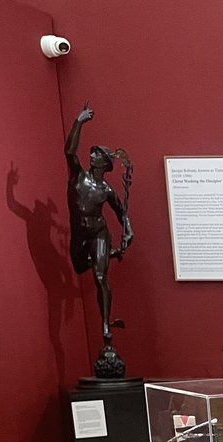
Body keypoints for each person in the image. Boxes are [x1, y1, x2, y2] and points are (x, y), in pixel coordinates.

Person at [64, 104, 132, 357]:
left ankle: (106, 327)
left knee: (101, 277)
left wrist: (129, 231)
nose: (90, 156)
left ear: (104, 163)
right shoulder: (78, 177)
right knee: (81, 266)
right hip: (79, 236)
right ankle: (103, 256)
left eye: (95, 155)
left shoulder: (106, 190)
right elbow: (70, 151)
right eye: (90, 153)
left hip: (99, 233)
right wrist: (78, 122)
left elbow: (121, 213)